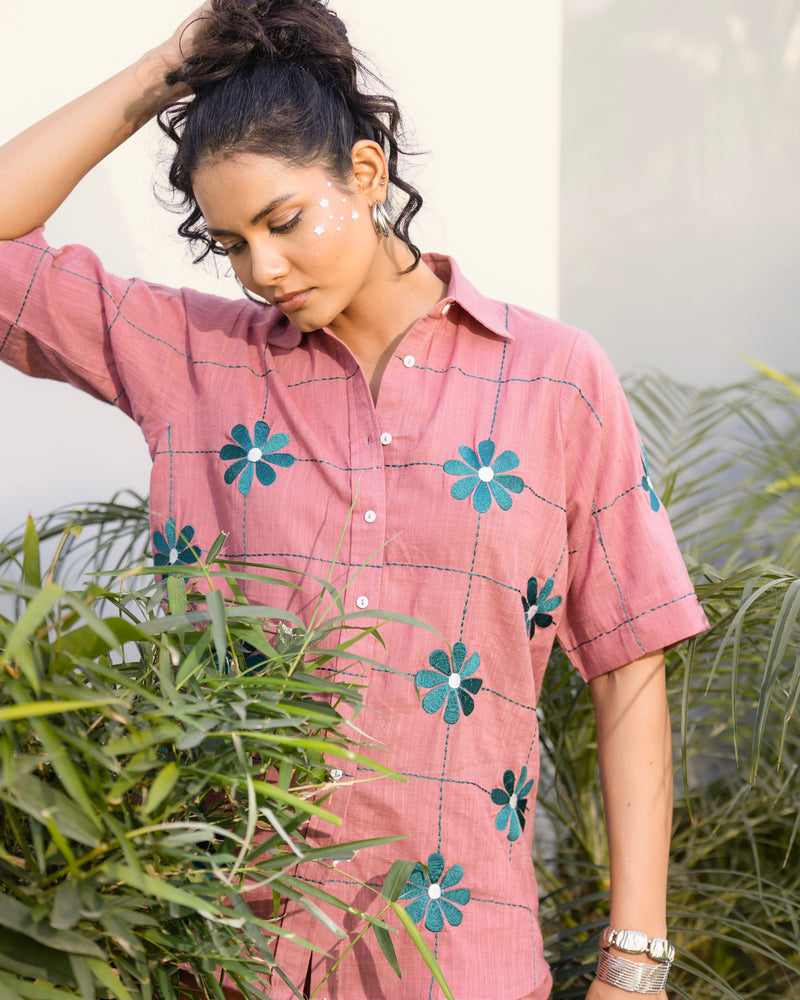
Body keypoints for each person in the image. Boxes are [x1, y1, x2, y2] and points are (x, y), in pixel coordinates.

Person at [0, 1, 708, 997]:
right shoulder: (193, 361)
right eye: (230, 243)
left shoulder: (551, 379)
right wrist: (168, 68)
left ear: (365, 174)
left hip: (462, 963)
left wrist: (631, 966)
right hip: (226, 959)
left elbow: (628, 666)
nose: (262, 269)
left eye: (282, 221)